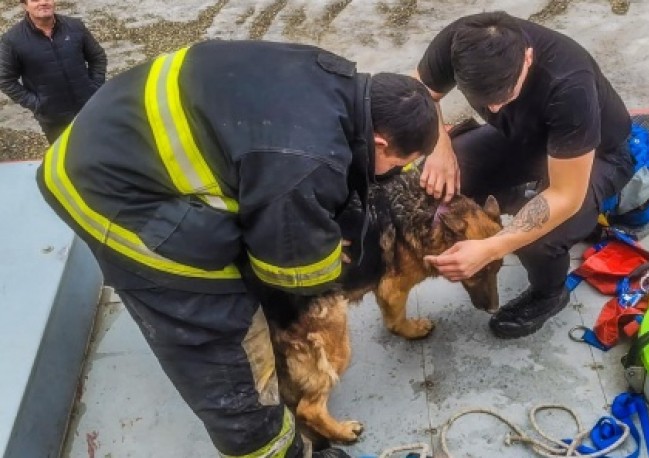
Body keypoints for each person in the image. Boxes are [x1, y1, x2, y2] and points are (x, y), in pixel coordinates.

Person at [36, 40, 438, 458]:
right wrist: (327, 251)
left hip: (109, 140)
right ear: (379, 141)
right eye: (400, 163)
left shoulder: (330, 78)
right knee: (226, 346)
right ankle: (274, 449)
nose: (399, 174)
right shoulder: (301, 162)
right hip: (114, 200)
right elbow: (292, 272)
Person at [418, 11, 635, 339]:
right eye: (483, 100)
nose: (492, 109)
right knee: (438, 178)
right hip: (525, 139)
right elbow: (419, 91)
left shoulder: (568, 84)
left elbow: (564, 195)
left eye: (503, 96)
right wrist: (438, 145)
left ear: (528, 58)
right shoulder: (462, 42)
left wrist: (492, 247)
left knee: (537, 236)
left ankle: (549, 293)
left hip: (597, 155)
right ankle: (516, 196)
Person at [0, 0, 106, 143]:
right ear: (24, 5)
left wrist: (95, 87)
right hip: (54, 119)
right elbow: (5, 79)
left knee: (102, 148)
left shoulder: (75, 26)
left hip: (90, 108)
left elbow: (97, 57)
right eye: (35, 0)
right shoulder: (12, 40)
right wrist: (37, 104)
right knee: (67, 159)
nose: (43, 2)